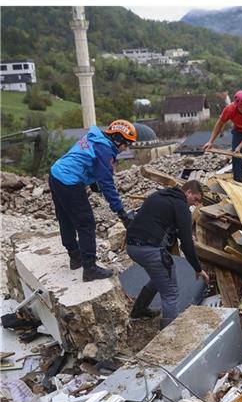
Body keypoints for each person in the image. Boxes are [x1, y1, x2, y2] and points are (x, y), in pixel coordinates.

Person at [49, 120, 136, 282]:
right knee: (86, 224)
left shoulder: (95, 138)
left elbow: (86, 160)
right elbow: (107, 183)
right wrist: (121, 212)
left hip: (56, 174)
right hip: (69, 182)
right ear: (117, 139)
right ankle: (90, 268)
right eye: (126, 144)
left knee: (66, 218)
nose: (126, 148)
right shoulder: (104, 150)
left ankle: (75, 257)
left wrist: (93, 183)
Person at [126, 180, 210, 321]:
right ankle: (168, 337)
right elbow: (187, 245)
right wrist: (198, 268)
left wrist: (181, 233)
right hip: (149, 250)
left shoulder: (159, 195)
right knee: (171, 293)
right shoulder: (181, 205)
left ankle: (138, 312)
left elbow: (157, 221)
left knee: (159, 277)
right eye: (195, 199)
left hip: (132, 247)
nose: (195, 204)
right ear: (188, 192)